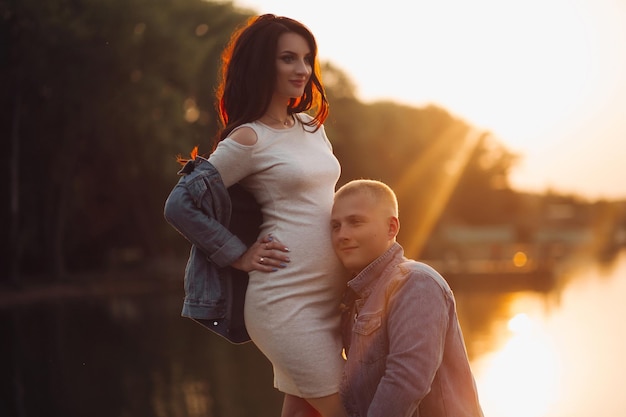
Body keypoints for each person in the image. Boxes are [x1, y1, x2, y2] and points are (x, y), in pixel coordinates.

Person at [164, 14, 347, 417]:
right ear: (262, 64)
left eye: (306, 58)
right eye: (287, 58)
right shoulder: (248, 139)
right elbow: (180, 204)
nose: (302, 69)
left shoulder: (310, 127)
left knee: (304, 412)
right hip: (285, 304)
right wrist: (238, 253)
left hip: (328, 304)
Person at [330, 179, 484, 417]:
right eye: (335, 226)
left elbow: (406, 380)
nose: (342, 235)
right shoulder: (353, 299)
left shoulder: (416, 283)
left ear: (391, 228)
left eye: (355, 222)